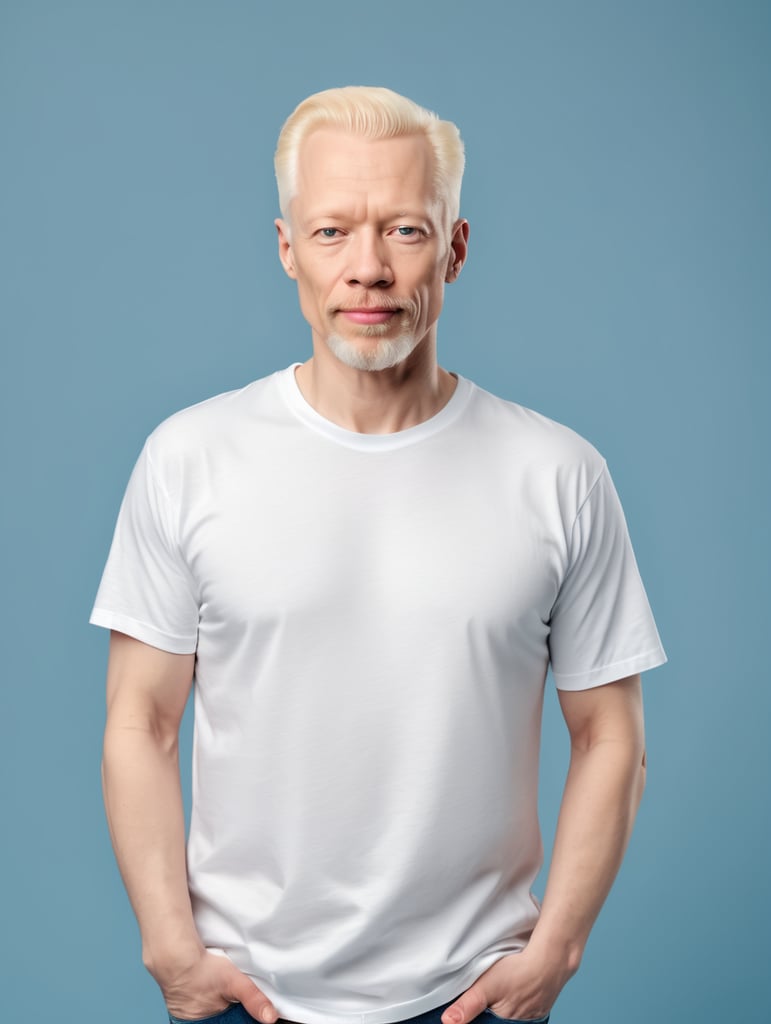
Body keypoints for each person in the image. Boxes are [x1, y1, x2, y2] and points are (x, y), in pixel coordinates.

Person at [92, 86, 666, 1024]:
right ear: (287, 248)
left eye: (404, 230)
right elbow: (140, 722)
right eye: (331, 232)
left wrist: (556, 952)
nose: (367, 269)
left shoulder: (558, 474)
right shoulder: (188, 458)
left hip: (474, 994)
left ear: (455, 249)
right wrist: (171, 952)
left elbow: (612, 736)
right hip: (242, 994)